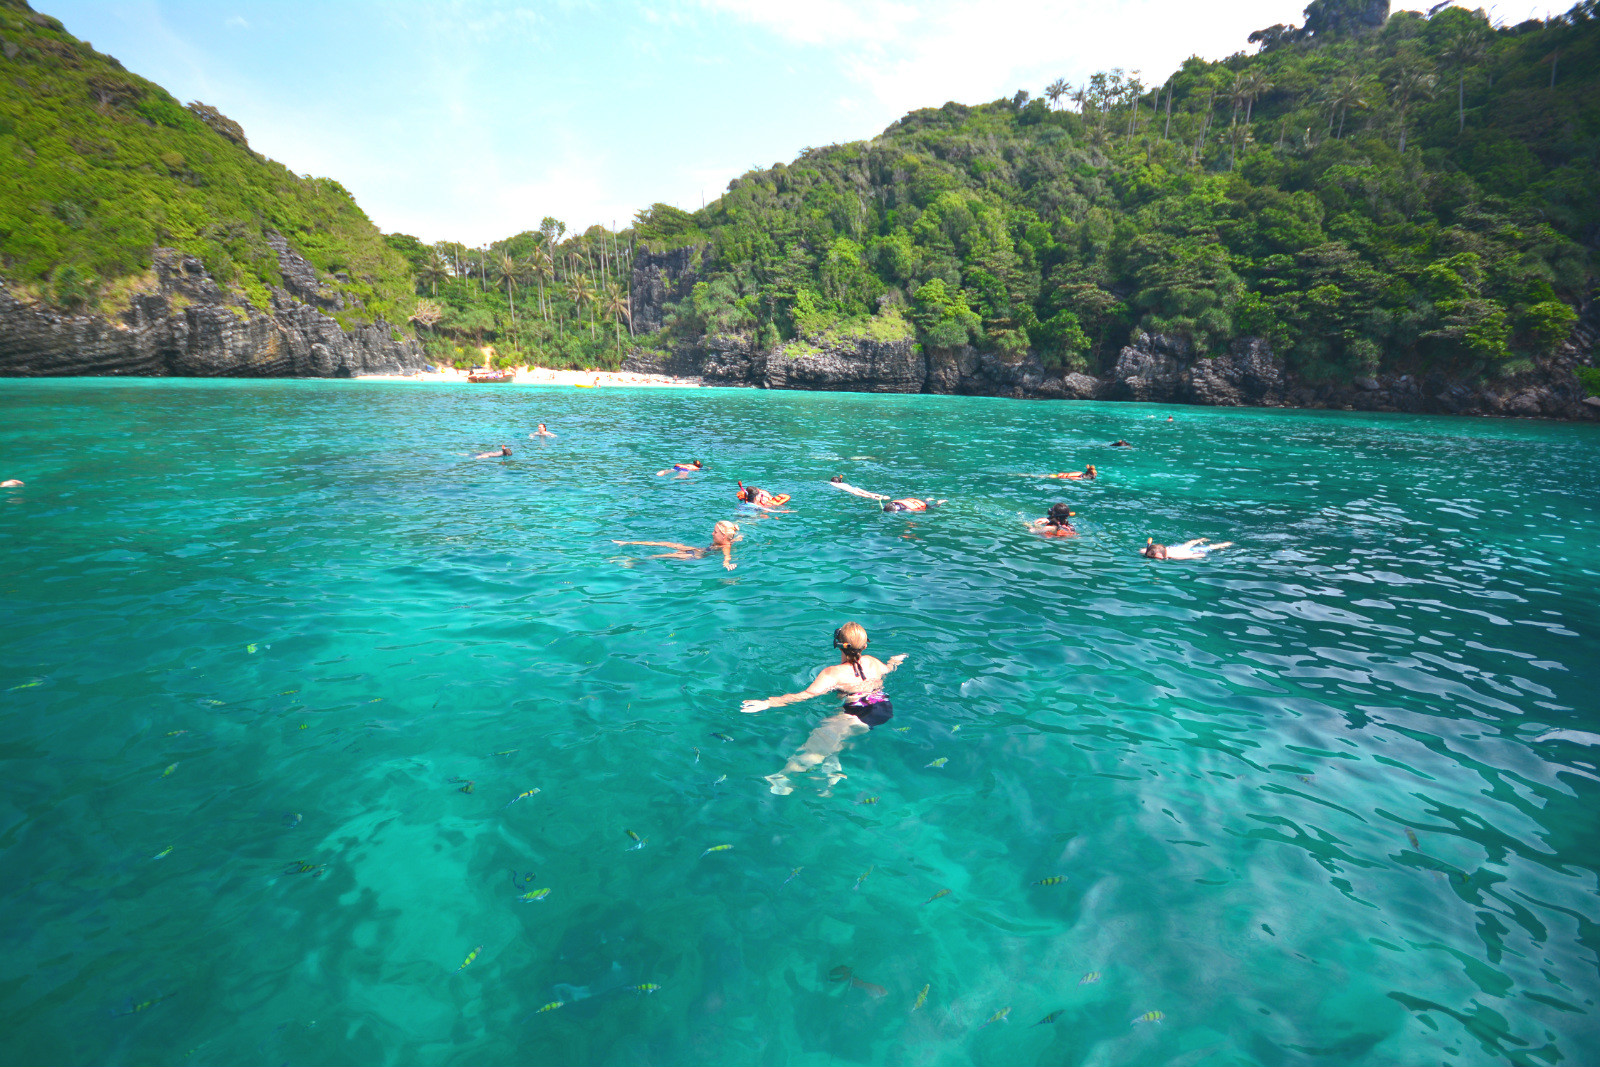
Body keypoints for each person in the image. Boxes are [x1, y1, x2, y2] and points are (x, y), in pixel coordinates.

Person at [741, 622, 907, 795]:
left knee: (815, 747)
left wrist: (768, 702)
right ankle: (832, 763)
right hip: (883, 708)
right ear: (864, 646)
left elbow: (804, 695)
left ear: (837, 644)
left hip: (858, 714)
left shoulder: (832, 673)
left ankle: (783, 777)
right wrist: (895, 660)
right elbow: (888, 669)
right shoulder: (872, 662)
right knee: (835, 723)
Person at [612, 520, 740, 570]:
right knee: (666, 543)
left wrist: (727, 564)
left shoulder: (726, 546)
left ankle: (632, 562)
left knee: (661, 555)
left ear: (723, 536)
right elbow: (733, 538)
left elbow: (726, 556)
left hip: (695, 556)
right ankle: (627, 542)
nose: (712, 534)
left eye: (715, 532)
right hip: (697, 549)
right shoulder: (728, 540)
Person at [1141, 537, 1233, 561]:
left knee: (1210, 547)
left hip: (1184, 552)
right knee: (1186, 544)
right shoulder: (1147, 551)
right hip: (1175, 548)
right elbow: (1143, 550)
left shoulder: (1176, 557)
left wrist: (1201, 555)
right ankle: (1200, 539)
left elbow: (1200, 555)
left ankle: (1227, 543)